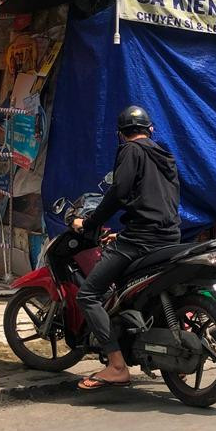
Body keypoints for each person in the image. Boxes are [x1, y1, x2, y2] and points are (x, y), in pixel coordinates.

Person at [71, 105, 182, 390]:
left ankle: (117, 366)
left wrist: (91, 223)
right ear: (151, 130)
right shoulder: (166, 156)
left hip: (140, 241)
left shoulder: (130, 152)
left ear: (121, 135)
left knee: (88, 294)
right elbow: (155, 201)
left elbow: (118, 193)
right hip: (170, 238)